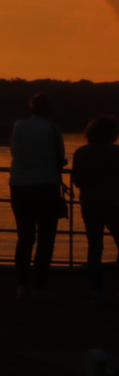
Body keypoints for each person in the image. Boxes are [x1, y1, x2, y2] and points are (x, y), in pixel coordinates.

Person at [10, 93, 67, 300]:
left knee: (25, 239)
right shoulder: (53, 130)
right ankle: (39, 286)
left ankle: (22, 286)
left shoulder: (18, 126)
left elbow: (15, 152)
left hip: (18, 187)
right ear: (49, 110)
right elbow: (60, 157)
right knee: (45, 239)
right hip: (45, 187)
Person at [72, 114, 119, 302]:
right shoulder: (115, 152)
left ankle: (97, 291)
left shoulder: (80, 152)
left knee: (94, 246)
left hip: (89, 203)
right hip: (112, 203)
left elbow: (77, 181)